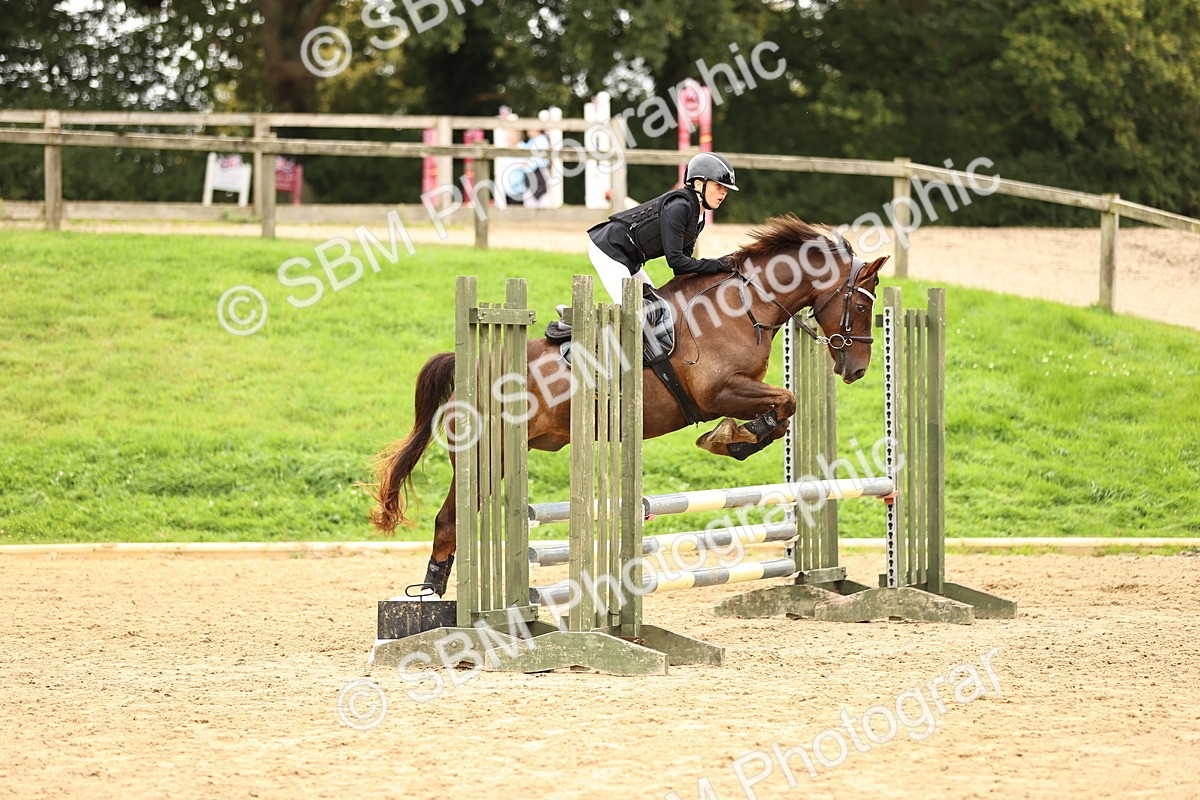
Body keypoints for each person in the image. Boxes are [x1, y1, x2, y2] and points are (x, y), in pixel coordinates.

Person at [585, 152, 739, 303]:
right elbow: (676, 260)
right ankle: (568, 328)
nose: (723, 192)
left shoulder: (698, 218)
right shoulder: (679, 207)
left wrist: (720, 271)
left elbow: (682, 269)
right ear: (699, 184)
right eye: (718, 185)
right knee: (631, 312)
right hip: (609, 247)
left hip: (630, 258)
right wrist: (719, 264)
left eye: (726, 189)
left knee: (656, 308)